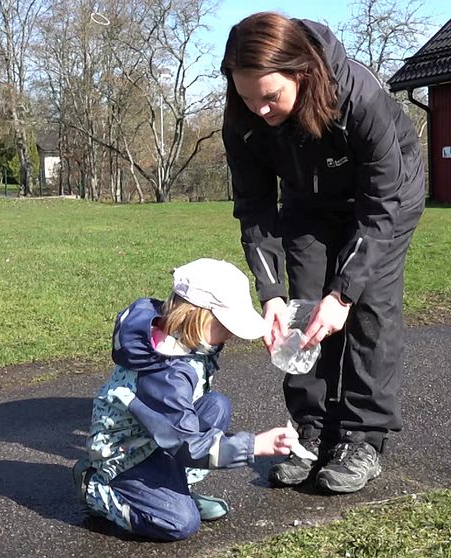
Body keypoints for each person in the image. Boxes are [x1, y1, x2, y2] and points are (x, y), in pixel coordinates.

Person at [220, 12, 426, 494]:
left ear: (302, 72)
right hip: (309, 202)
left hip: (384, 198)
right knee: (301, 307)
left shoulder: (358, 95)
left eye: (270, 97)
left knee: (369, 305)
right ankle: (312, 430)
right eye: (248, 97)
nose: (259, 109)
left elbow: (381, 207)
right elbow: (254, 209)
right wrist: (270, 292)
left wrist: (345, 294)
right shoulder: (244, 119)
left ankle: (362, 437)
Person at [72, 258, 297, 541]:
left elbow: (178, 427)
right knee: (179, 523)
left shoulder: (187, 341)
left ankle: (175, 488)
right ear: (197, 317)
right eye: (226, 324)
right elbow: (185, 441)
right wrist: (254, 445)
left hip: (155, 437)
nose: (231, 333)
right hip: (125, 456)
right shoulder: (164, 373)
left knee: (216, 406)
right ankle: (97, 488)